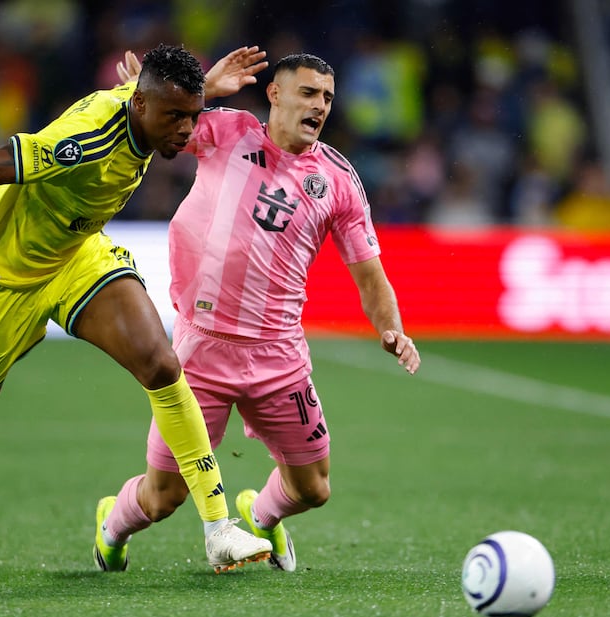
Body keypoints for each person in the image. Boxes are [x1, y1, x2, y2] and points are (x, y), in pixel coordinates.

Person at [0, 44, 275, 573]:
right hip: (4, 275)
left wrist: (200, 87)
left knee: (160, 362)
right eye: (176, 119)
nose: (187, 131)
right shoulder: (83, 141)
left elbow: (161, 100)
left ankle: (218, 527)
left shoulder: (153, 110)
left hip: (76, 256)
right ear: (140, 105)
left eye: (192, 116)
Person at [93, 53, 421, 573]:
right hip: (203, 348)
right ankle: (112, 524)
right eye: (309, 93)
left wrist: (391, 329)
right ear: (275, 94)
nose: (319, 106)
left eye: (328, 98)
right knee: (163, 498)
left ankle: (262, 517)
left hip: (279, 355)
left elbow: (369, 273)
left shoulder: (336, 179)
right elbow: (156, 129)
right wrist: (153, 92)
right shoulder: (226, 132)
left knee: (314, 488)